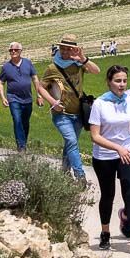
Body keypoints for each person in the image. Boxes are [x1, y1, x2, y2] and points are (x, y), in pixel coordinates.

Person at [88, 65, 130, 257]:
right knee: (108, 195)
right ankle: (105, 232)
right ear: (109, 82)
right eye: (117, 81)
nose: (121, 85)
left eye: (124, 81)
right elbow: (95, 136)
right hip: (105, 156)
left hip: (128, 152)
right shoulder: (99, 103)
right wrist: (117, 148)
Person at [38, 34, 100, 182]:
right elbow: (41, 87)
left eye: (68, 49)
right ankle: (80, 176)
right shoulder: (53, 67)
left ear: (74, 49)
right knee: (72, 142)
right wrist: (53, 102)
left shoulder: (79, 64)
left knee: (70, 144)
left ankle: (64, 173)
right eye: (62, 49)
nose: (65, 52)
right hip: (61, 114)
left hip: (78, 113)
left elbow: (96, 70)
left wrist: (83, 58)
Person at [0, 42, 43, 152]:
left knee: (25, 122)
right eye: (11, 50)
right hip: (13, 98)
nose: (13, 52)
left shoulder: (28, 63)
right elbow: (0, 83)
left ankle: (23, 143)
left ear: (20, 51)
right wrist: (3, 97)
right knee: (17, 120)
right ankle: (21, 147)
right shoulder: (6, 67)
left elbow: (35, 79)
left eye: (16, 50)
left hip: (27, 98)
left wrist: (39, 95)